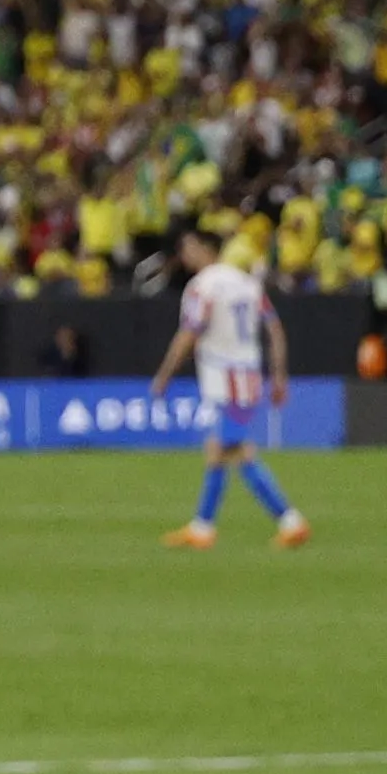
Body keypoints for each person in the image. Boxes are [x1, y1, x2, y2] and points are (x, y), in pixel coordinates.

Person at [150, 229, 309, 548]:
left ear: (205, 249)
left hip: (225, 379)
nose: (185, 255)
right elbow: (275, 329)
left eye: (189, 247)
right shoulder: (248, 284)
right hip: (247, 376)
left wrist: (165, 373)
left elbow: (189, 333)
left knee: (234, 450)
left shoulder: (203, 287)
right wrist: (278, 375)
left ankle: (290, 520)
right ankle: (203, 528)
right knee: (220, 450)